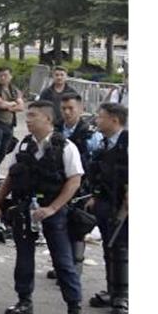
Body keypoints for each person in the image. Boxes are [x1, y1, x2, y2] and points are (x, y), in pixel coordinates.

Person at [0, 101, 91, 314]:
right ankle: (24, 300)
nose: (27, 119)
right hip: (25, 207)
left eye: (33, 115)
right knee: (24, 257)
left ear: (48, 119)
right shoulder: (24, 146)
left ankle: (74, 309)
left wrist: (53, 208)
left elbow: (74, 181)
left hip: (53, 210)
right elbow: (10, 177)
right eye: (27, 115)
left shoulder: (66, 147)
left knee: (63, 260)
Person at [46, 92, 97, 280]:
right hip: (58, 186)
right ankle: (61, 265)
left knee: (77, 227)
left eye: (71, 109)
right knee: (58, 228)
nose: (67, 112)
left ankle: (74, 270)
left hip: (80, 188)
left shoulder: (90, 134)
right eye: (64, 109)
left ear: (81, 109)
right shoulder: (56, 129)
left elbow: (94, 163)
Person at [85, 102, 129, 314]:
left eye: (101, 117)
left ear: (114, 120)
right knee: (108, 247)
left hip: (123, 205)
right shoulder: (104, 143)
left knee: (120, 249)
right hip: (105, 202)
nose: (97, 120)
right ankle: (112, 290)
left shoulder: (127, 143)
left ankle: (122, 296)